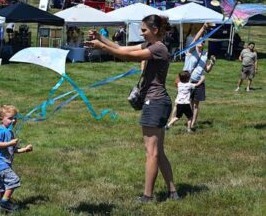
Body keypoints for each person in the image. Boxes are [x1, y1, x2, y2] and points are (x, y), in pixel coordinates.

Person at [86, 14, 179, 202]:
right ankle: (173, 192)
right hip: (158, 103)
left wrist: (102, 47)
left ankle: (147, 196)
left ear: (154, 30)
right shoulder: (152, 46)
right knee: (158, 151)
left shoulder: (158, 49)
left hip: (155, 103)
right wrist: (101, 38)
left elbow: (128, 56)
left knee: (151, 152)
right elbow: (121, 48)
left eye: (144, 30)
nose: (141, 33)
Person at [0, 105, 33, 213]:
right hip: (0, 163)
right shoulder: (0, 131)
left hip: (2, 164)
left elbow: (12, 149)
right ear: (1, 119)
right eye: (10, 118)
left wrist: (24, 149)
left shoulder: (10, 133)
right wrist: (10, 142)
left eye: (15, 118)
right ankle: (5, 202)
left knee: (2, 187)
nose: (13, 121)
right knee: (14, 181)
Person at [183, 23, 216, 129]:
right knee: (185, 102)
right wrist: (203, 28)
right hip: (188, 81)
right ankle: (175, 120)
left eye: (202, 42)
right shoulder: (191, 51)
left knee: (196, 105)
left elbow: (207, 70)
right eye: (199, 42)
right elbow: (196, 38)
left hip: (199, 82)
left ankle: (192, 124)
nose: (200, 43)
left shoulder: (205, 55)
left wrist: (212, 63)